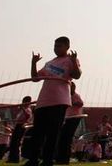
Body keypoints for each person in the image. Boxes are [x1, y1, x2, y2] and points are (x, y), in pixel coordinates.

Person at [26, 36, 82, 166]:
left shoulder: (70, 60)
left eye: (59, 46)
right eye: (55, 46)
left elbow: (77, 75)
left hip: (59, 101)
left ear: (67, 47)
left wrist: (74, 61)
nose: (56, 49)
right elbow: (35, 78)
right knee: (38, 133)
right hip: (43, 101)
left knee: (53, 133)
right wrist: (33, 63)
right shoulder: (49, 63)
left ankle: (47, 160)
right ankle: (33, 159)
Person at [55, 82, 84, 165]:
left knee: (67, 138)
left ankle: (64, 159)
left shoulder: (75, 95)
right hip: (67, 119)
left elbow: (81, 103)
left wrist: (71, 103)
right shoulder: (66, 96)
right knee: (62, 138)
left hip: (73, 118)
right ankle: (60, 158)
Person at [6, 96, 33, 163]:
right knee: (13, 142)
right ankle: (11, 158)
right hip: (18, 126)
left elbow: (27, 116)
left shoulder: (28, 109)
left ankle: (15, 158)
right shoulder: (22, 110)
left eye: (24, 101)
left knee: (16, 142)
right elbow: (18, 119)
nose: (23, 102)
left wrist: (23, 109)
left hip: (21, 126)